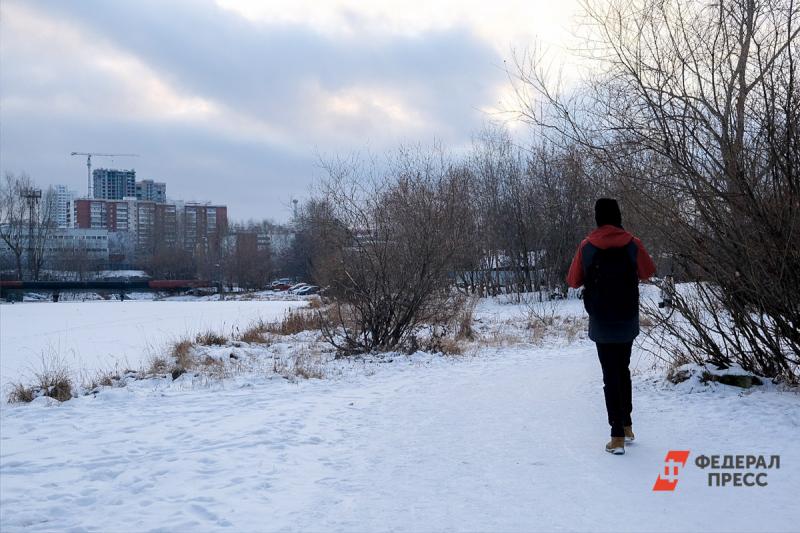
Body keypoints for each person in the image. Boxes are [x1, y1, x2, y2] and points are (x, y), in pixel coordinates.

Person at [567, 198, 656, 455]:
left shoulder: (587, 246)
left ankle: (616, 436)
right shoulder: (632, 243)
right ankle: (626, 425)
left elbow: (573, 281)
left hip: (601, 319)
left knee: (610, 375)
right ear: (618, 215)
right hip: (627, 317)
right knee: (623, 369)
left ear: (597, 217)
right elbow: (648, 271)